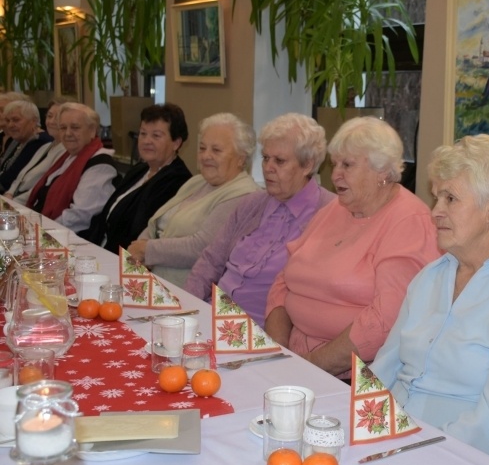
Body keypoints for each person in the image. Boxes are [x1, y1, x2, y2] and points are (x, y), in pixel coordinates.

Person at [370, 134, 489, 465]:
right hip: (388, 442)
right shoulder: (430, 277)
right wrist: (357, 426)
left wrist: (409, 452)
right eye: (436, 198)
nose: (435, 212)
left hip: (457, 459)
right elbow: (384, 370)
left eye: (450, 199)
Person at [265, 116, 440, 378]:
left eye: (347, 165)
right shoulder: (336, 208)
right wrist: (279, 352)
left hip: (352, 376)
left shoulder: (409, 221)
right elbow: (283, 281)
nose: (335, 174)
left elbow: (385, 320)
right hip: (294, 359)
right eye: (335, 163)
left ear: (382, 171)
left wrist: (309, 366)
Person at [185, 113, 335, 327]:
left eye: (279, 161)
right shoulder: (252, 203)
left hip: (263, 333)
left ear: (307, 165)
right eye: (265, 158)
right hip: (212, 317)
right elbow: (210, 261)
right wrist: (186, 308)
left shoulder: (329, 212)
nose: (268, 167)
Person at [127, 112, 259, 288]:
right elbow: (157, 223)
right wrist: (141, 247)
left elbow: (203, 247)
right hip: (153, 278)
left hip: (187, 289)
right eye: (202, 148)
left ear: (241, 158)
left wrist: (146, 250)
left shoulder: (243, 195)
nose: (206, 156)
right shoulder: (197, 181)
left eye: (216, 150)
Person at [80, 103, 192, 253]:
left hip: (127, 261)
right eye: (143, 133)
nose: (146, 141)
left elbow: (139, 232)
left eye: (156, 135)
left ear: (176, 143)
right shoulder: (140, 170)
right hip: (102, 250)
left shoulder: (177, 181)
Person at [26, 102, 117, 232]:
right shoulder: (67, 156)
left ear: (92, 130)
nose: (68, 133)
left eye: (75, 127)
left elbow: (79, 217)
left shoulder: (100, 165)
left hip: (66, 239)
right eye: (63, 128)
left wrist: (39, 231)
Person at [6, 98, 68, 204]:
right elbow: (21, 176)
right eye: (49, 116)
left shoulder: (65, 151)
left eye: (57, 117)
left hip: (28, 206)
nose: (51, 121)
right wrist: (9, 193)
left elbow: (41, 185)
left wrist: (12, 202)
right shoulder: (46, 146)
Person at [0, 100, 53, 192]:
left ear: (33, 121)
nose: (10, 125)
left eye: (16, 120)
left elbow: (9, 180)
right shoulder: (17, 140)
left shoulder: (39, 142)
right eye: (8, 120)